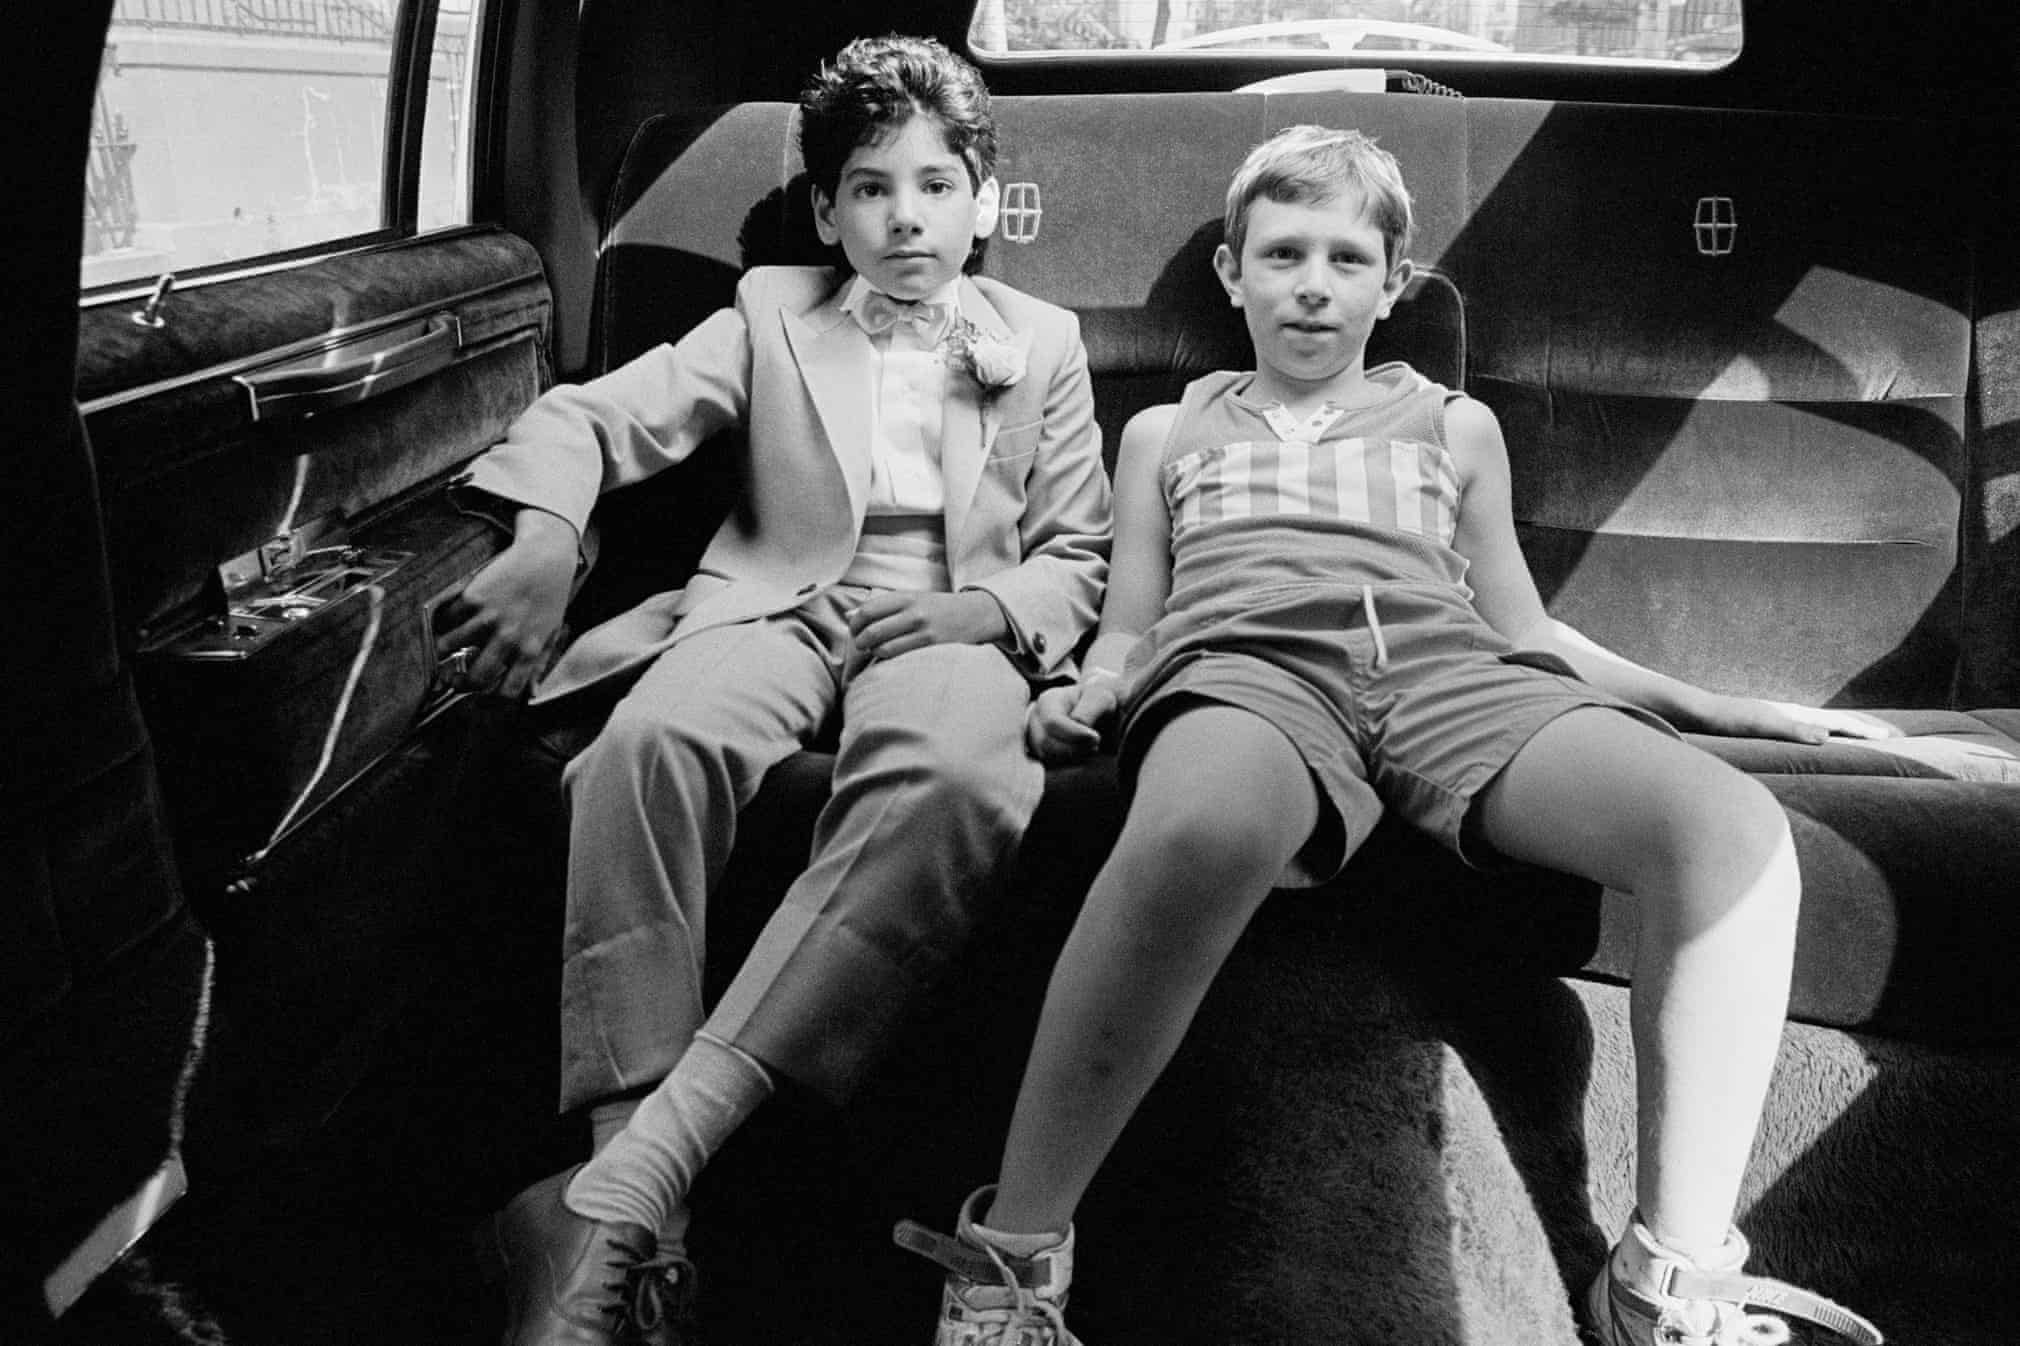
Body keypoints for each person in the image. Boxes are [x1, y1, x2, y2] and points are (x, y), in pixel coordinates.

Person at [896, 125, 1889, 1346]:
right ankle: (1012, 1256)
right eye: (1282, 254)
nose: (1313, 284)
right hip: (1245, 664)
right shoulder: (1167, 430)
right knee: (1202, 828)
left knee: (1729, 830)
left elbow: (1524, 626)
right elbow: (1133, 622)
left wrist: (1700, 704)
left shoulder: (1452, 425)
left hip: (1440, 669)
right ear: (1231, 275)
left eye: (1346, 259)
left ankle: (1663, 1281)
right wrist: (1090, 691)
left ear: (1391, 284)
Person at [438, 34, 1111, 1346]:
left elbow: (1078, 551)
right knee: (647, 743)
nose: (905, 216)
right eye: (870, 187)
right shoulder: (768, 316)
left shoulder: (1042, 341)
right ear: (824, 210)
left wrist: (982, 611)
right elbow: (592, 418)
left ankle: (654, 1160)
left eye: (935, 184)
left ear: (983, 201)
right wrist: (545, 537)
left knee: (957, 777)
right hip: (776, 604)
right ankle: (635, 1203)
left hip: (951, 626)